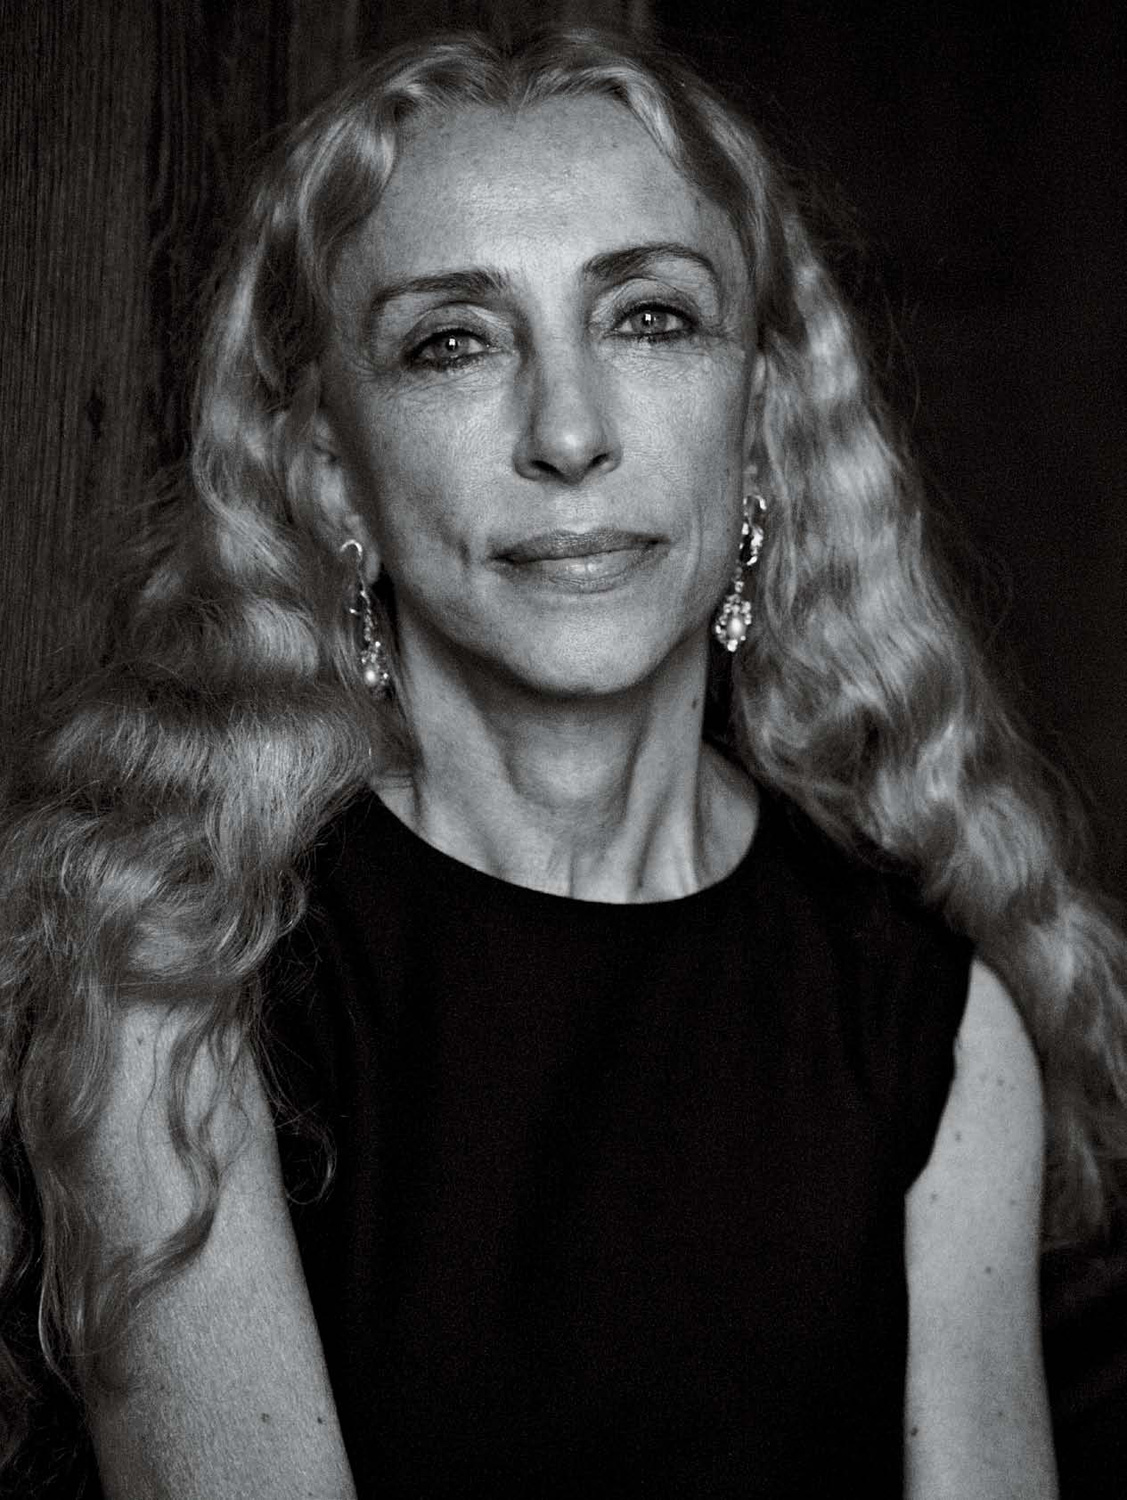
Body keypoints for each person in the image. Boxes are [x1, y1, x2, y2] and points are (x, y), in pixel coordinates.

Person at [1, 22, 1124, 1499]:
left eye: (650, 319)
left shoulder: (932, 1025)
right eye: (454, 343)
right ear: (331, 473)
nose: (570, 433)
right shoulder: (177, 982)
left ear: (762, 423)